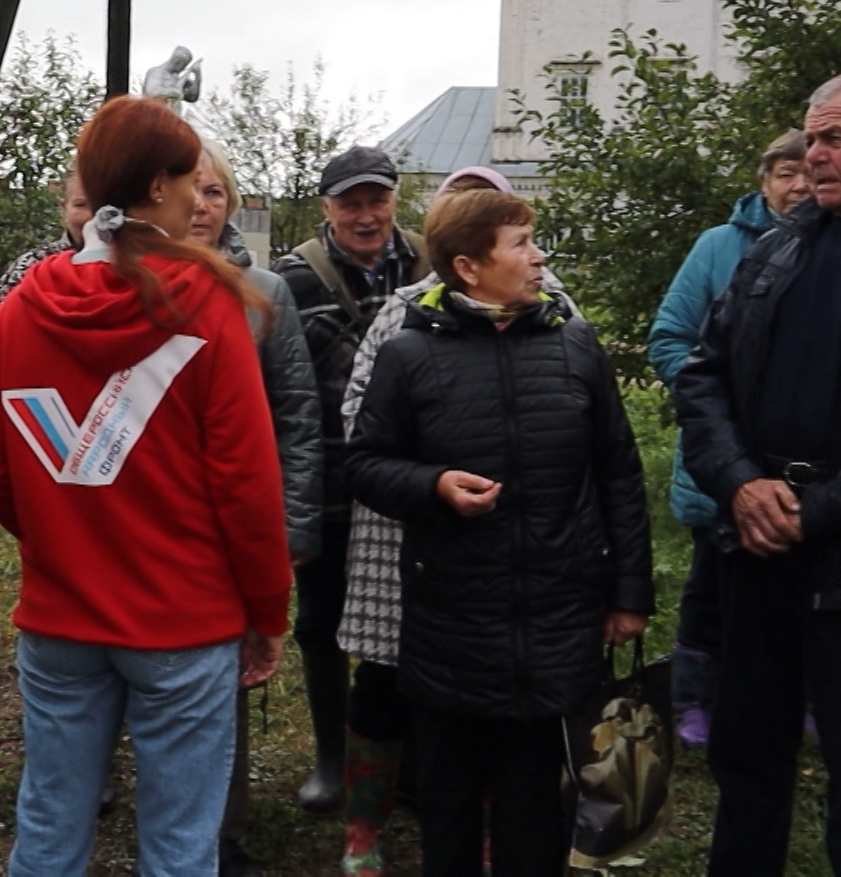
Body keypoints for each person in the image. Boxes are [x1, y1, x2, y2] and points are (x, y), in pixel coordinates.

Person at [0, 96, 293, 877]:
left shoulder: (21, 308)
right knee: (180, 845)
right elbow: (246, 484)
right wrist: (267, 609)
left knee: (48, 830)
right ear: (154, 188)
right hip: (185, 621)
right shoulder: (208, 304)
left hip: (58, 619)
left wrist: (61, 540)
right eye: (190, 182)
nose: (199, 198)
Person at [675, 71, 841, 877]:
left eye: (834, 138)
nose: (812, 155)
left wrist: (815, 511)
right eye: (809, 138)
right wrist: (737, 484)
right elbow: (702, 375)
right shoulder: (776, 249)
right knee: (746, 762)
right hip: (755, 548)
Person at [347, 188, 653, 877]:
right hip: (451, 623)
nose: (539, 256)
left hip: (557, 620)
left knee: (535, 809)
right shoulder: (408, 355)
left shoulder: (575, 345)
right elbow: (364, 464)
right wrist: (432, 487)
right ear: (469, 266)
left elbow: (619, 473)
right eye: (520, 243)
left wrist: (629, 591)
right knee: (448, 809)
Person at [272, 145, 429, 812]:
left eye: (377, 200)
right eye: (350, 203)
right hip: (330, 484)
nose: (366, 216)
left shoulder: (433, 262)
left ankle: (409, 760)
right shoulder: (290, 280)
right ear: (326, 207)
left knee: (415, 623)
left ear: (396, 199)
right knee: (321, 622)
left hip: (411, 486)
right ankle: (332, 759)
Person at [646, 130, 811, 750]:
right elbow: (668, 337)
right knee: (712, 585)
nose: (797, 185)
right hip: (725, 456)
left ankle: (797, 697)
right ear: (763, 181)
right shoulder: (720, 247)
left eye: (805, 172)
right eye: (783, 173)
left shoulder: (838, 242)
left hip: (805, 462)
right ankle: (693, 698)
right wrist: (717, 408)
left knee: (804, 587)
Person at [188, 139, 324, 876]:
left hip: (240, 526)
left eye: (218, 193)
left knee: (228, 681)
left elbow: (298, 415)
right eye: (194, 190)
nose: (204, 205)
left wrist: (294, 526)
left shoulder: (264, 292)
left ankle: (223, 832)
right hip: (160, 525)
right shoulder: (128, 286)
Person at [0, 171, 93, 388]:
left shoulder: (134, 270)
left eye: (101, 206)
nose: (90, 217)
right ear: (63, 208)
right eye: (80, 205)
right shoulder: (31, 265)